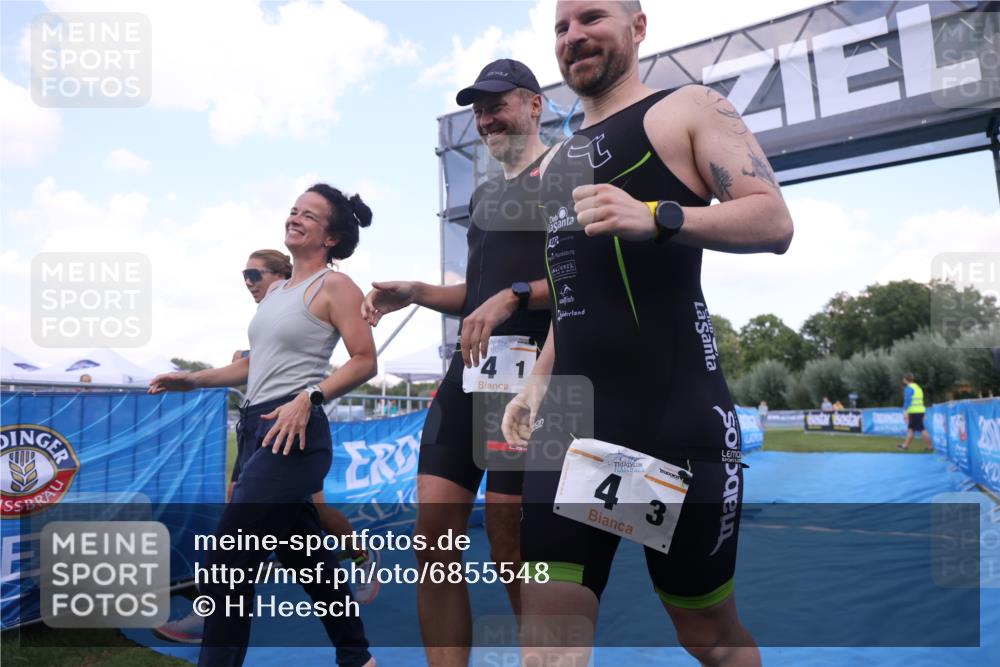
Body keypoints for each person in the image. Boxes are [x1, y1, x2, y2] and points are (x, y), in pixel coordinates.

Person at [501, 3, 793, 666]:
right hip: (572, 435)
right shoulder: (559, 165)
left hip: (673, 427)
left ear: (638, 27)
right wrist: (537, 384)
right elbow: (575, 293)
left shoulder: (688, 108)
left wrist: (659, 216)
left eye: (591, 16)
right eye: (560, 27)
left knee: (710, 640)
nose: (573, 36)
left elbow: (773, 221)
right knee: (547, 650)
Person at [361, 58, 552, 665]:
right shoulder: (487, 197)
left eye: (498, 103)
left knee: (509, 538)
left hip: (538, 378)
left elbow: (587, 281)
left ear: (534, 105)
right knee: (432, 540)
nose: (486, 117)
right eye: (478, 108)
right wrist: (416, 290)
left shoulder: (566, 175)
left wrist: (515, 294)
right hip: (469, 375)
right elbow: (475, 295)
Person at [149, 184, 378, 667]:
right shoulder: (277, 291)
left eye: (309, 216)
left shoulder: (336, 286)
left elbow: (364, 361)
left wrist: (309, 397)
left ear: (331, 237)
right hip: (255, 430)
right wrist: (192, 379)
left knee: (228, 565)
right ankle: (358, 658)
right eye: (294, 210)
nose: (295, 218)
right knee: (310, 561)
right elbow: (254, 365)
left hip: (293, 432)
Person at [898, 372, 932, 451]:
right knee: (911, 429)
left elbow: (907, 401)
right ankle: (905, 446)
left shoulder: (909, 388)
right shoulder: (918, 387)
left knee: (921, 429)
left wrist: (905, 412)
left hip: (914, 411)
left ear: (905, 380)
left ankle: (930, 447)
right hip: (920, 410)